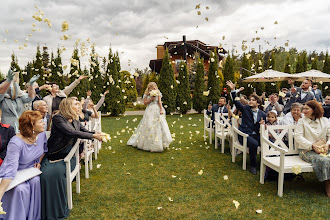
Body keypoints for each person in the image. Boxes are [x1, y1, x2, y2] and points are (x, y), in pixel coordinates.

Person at [40, 98, 103, 220]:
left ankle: (56, 211)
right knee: (45, 176)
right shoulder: (58, 118)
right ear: (67, 106)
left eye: (79, 104)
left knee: (51, 176)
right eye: (76, 104)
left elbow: (86, 131)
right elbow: (71, 132)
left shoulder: (76, 120)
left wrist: (97, 134)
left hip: (69, 158)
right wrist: (93, 135)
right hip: (53, 156)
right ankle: (45, 210)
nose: (79, 106)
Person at [0, 111, 47, 220]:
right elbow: (10, 170)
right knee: (21, 189)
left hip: (30, 171)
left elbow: (43, 150)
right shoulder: (16, 142)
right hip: (14, 173)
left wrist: (38, 162)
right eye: (40, 122)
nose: (44, 123)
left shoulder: (41, 135)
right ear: (32, 126)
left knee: (35, 181)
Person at [226, 80, 267, 175]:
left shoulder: (263, 114)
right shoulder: (245, 109)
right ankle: (253, 166)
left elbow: (261, 128)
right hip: (244, 135)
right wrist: (233, 90)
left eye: (253, 100)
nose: (250, 101)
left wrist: (262, 125)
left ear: (258, 103)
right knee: (254, 143)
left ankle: (269, 166)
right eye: (250, 99)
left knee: (269, 142)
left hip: (256, 135)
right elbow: (236, 102)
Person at [295, 100, 330, 197]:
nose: (303, 111)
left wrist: (327, 144)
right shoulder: (302, 121)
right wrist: (312, 146)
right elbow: (298, 137)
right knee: (324, 160)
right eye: (303, 109)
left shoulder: (325, 120)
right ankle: (327, 185)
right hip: (306, 150)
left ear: (314, 109)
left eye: (306, 109)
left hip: (323, 148)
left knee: (327, 158)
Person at [127, 82, 172, 152]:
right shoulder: (146, 94)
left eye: (155, 87)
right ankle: (148, 144)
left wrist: (161, 110)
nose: (154, 89)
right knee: (149, 125)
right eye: (152, 87)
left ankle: (160, 143)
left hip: (157, 109)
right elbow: (145, 103)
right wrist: (151, 99)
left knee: (159, 125)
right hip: (149, 110)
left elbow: (159, 102)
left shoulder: (158, 92)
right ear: (149, 88)